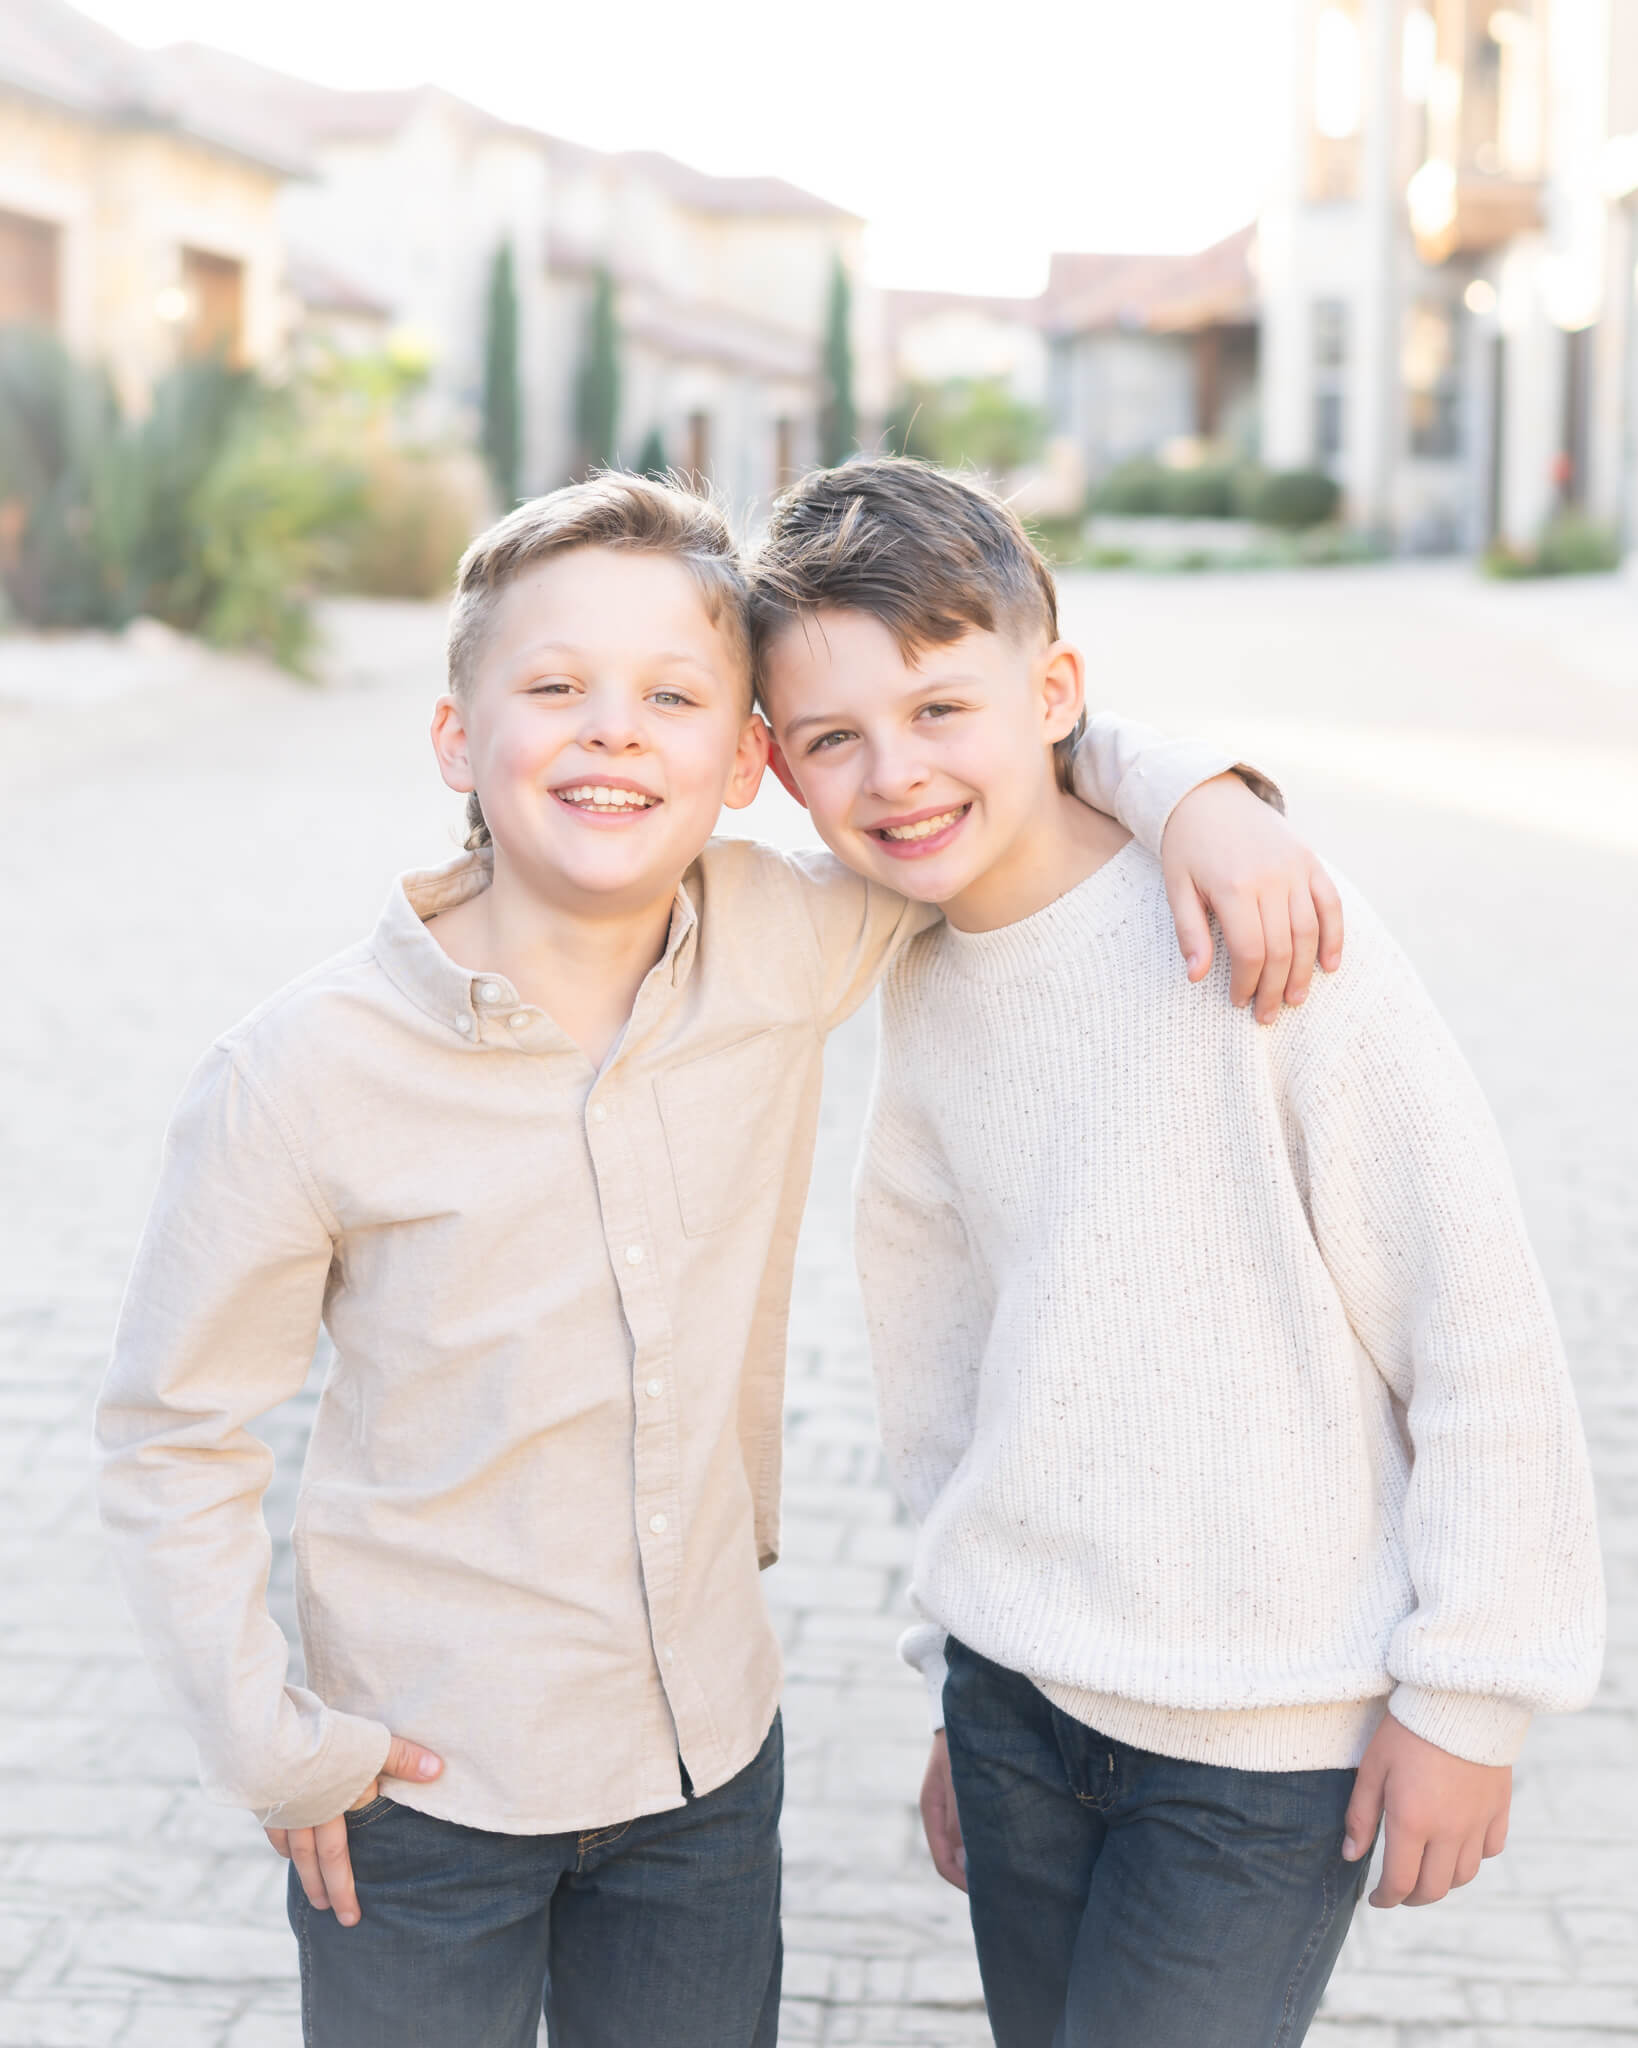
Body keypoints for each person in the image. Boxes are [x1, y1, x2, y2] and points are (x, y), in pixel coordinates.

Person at [94, 473, 1334, 2048]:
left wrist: (1198, 792)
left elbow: (979, 754)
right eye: (553, 689)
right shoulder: (299, 1075)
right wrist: (269, 1742)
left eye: (672, 696)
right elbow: (170, 1434)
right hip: (418, 1794)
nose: (613, 732)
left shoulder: (791, 938)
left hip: (701, 1780)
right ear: (454, 738)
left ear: (745, 761)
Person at [750, 457, 1605, 2048]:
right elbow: (942, 1373)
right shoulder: (911, 970)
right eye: (831, 739)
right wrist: (958, 1658)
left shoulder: (1257, 924)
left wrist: (1471, 1694)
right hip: (1015, 1709)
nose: (895, 772)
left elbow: (1469, 1309)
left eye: (942, 710)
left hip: (1260, 1744)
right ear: (779, 769)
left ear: (1052, 689)